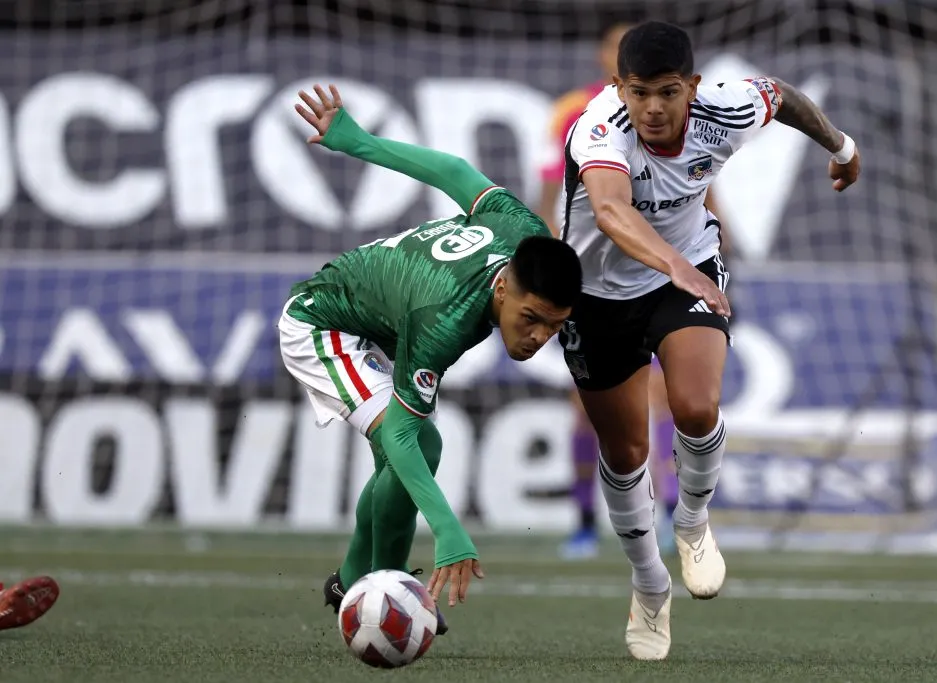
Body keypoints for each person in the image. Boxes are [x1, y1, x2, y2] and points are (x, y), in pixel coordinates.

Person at [557, 21, 860, 660]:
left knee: (695, 405)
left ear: (694, 86)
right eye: (639, 93)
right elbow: (610, 212)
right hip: (598, 292)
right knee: (627, 449)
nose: (655, 108)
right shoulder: (597, 129)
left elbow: (780, 96)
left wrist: (841, 144)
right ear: (619, 88)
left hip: (686, 268)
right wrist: (673, 264)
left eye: (669, 91)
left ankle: (692, 523)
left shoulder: (725, 107)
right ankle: (649, 584)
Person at [281, 85, 583, 623]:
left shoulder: (526, 232)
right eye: (530, 319)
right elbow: (398, 433)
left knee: (412, 450)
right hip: (321, 323)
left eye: (553, 327)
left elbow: (455, 171)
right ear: (501, 291)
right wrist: (449, 531)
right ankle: (377, 593)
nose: (538, 337)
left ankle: (360, 583)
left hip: (385, 315)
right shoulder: (445, 321)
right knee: (416, 444)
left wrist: (357, 140)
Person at [540, 23, 726, 561]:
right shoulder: (576, 115)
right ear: (611, 64)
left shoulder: (683, 120)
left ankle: (674, 515)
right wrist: (552, 262)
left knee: (673, 398)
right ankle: (582, 521)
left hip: (661, 272)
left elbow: (698, 185)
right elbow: (551, 193)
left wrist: (714, 255)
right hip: (591, 273)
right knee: (590, 409)